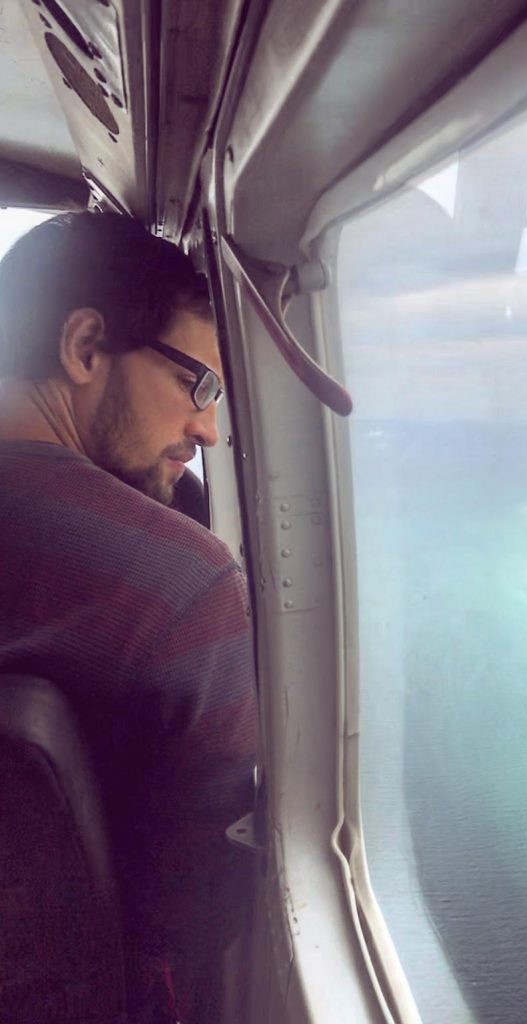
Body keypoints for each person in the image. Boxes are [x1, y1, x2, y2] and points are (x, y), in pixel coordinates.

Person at [0, 211, 258, 1022]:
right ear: (83, 348)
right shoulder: (184, 587)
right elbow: (193, 910)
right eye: (198, 383)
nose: (207, 431)